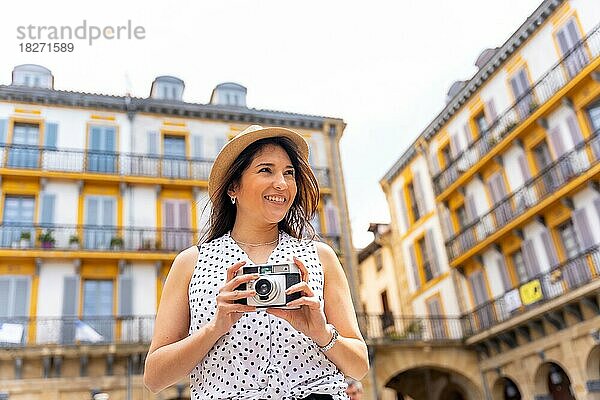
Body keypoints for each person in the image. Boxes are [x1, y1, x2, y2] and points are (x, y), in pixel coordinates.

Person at [143, 125, 369, 399]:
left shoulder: (321, 257)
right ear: (233, 187)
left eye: (289, 173)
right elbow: (154, 378)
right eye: (266, 170)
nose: (282, 184)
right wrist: (215, 328)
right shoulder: (191, 263)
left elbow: (359, 365)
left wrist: (322, 332)